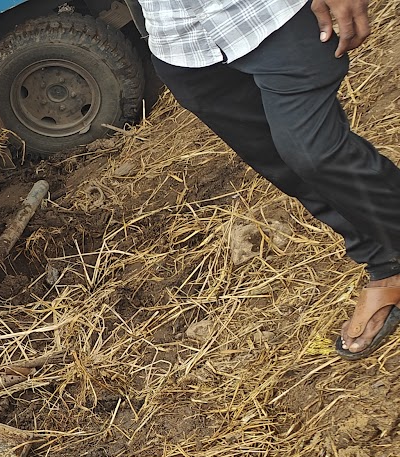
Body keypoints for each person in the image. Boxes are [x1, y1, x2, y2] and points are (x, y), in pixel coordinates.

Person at [143, 0, 400, 358]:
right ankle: (385, 260)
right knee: (283, 166)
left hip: (272, 13)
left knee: (313, 153)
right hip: (182, 42)